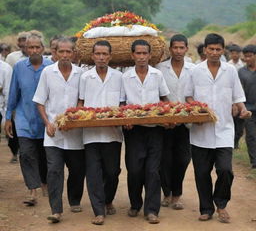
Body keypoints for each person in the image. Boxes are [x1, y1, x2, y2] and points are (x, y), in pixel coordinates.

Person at [185, 33, 251, 223]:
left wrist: (243, 111)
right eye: (211, 49)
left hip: (224, 129)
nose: (214, 52)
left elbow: (238, 97)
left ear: (223, 51)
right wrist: (195, 109)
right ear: (205, 50)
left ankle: (221, 204)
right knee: (202, 173)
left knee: (225, 170)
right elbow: (188, 96)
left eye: (218, 49)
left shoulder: (230, 71)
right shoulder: (196, 71)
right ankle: (206, 209)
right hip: (200, 132)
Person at [33, 37, 85, 223]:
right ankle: (56, 210)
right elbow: (39, 101)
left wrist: (76, 114)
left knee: (77, 170)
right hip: (53, 133)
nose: (64, 55)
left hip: (75, 133)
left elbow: (83, 99)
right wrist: (47, 123)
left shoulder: (81, 74)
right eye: (61, 51)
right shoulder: (48, 72)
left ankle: (74, 199)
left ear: (73, 53)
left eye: (68, 52)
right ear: (55, 53)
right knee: (54, 170)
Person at [122, 39, 170, 224]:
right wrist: (125, 119)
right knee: (134, 170)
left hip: (155, 129)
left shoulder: (157, 75)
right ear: (133, 55)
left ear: (150, 55)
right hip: (133, 130)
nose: (141, 57)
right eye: (138, 53)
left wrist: (168, 116)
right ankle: (135, 204)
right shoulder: (125, 77)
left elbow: (165, 98)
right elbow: (121, 103)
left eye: (145, 53)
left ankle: (151, 210)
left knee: (152, 171)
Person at [78, 40, 123, 225]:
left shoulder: (119, 77)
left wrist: (120, 117)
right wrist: (79, 116)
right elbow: (80, 102)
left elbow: (122, 104)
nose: (101, 57)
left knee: (112, 172)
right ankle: (98, 210)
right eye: (98, 54)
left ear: (110, 56)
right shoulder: (85, 77)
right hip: (91, 134)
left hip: (113, 134)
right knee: (94, 173)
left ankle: (108, 200)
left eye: (105, 54)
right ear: (93, 56)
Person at [5, 34, 52, 206]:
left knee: (43, 154)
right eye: (30, 47)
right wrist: (9, 117)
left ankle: (45, 183)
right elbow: (13, 93)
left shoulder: (50, 67)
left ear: (42, 48)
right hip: (24, 118)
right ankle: (32, 190)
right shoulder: (18, 67)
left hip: (45, 118)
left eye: (36, 47)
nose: (33, 50)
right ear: (25, 49)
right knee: (25, 153)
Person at [156, 34, 194, 210]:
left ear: (187, 49)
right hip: (165, 122)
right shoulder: (159, 68)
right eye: (175, 47)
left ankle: (177, 194)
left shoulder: (194, 69)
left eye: (181, 47)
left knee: (183, 159)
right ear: (170, 49)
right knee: (165, 159)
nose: (178, 51)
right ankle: (167, 194)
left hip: (186, 123)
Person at [238, 44, 256, 168]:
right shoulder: (241, 72)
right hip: (248, 109)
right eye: (246, 57)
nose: (248, 59)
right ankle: (254, 162)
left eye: (250, 56)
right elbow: (239, 92)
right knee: (251, 136)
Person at [228, 44, 245, 149]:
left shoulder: (243, 66)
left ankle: (236, 141)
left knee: (240, 125)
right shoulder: (227, 65)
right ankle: (231, 143)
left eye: (237, 53)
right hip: (230, 98)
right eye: (233, 53)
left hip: (241, 97)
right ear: (230, 54)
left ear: (240, 54)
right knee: (232, 122)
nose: (235, 55)